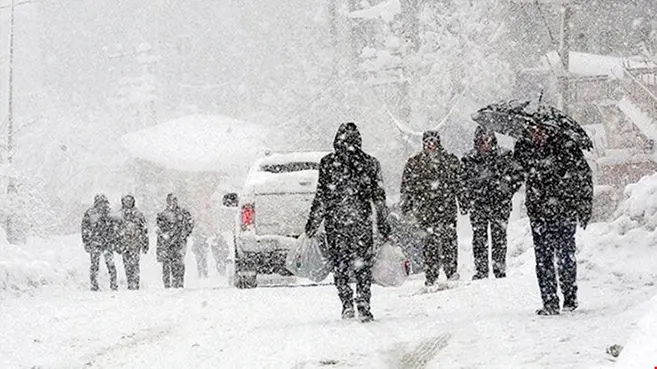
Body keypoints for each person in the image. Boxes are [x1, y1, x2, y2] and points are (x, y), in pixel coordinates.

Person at [305, 122, 391, 322]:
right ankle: (363, 303)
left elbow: (322, 196)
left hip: (336, 223)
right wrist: (384, 225)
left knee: (340, 265)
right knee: (363, 266)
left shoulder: (328, 163)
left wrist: (313, 223)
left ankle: (346, 303)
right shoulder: (370, 163)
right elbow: (378, 198)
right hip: (361, 223)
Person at [514, 125, 593, 315]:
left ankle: (569, 297)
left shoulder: (566, 147)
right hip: (539, 213)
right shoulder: (526, 149)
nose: (536, 134)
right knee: (543, 259)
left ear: (549, 130)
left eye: (539, 130)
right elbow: (515, 175)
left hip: (563, 211)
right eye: (532, 130)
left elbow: (583, 177)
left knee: (565, 255)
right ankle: (549, 301)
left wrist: (584, 206)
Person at [400, 131, 466, 286]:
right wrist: (406, 204)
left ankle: (451, 271)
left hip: (446, 208)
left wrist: (463, 202)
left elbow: (459, 183)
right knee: (429, 243)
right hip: (426, 210)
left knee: (449, 240)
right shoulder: (415, 163)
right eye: (427, 141)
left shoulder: (449, 161)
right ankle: (431, 275)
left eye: (433, 141)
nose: (430, 145)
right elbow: (407, 186)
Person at [461, 126, 522, 280]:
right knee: (479, 237)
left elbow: (518, 176)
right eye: (481, 141)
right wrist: (468, 197)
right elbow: (462, 182)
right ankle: (481, 270)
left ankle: (499, 269)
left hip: (499, 204)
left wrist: (507, 191)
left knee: (499, 237)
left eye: (487, 140)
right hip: (478, 204)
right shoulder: (469, 159)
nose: (484, 144)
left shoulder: (505, 156)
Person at [156, 194, 194, 288]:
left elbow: (190, 223)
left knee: (179, 263)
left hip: (179, 242)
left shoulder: (183, 213)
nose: (173, 203)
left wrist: (185, 233)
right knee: (166, 264)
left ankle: (179, 283)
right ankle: (167, 284)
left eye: (174, 200)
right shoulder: (162, 215)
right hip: (167, 243)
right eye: (170, 200)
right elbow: (159, 229)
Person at [81, 194, 118, 291]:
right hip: (96, 242)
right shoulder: (90, 213)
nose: (101, 204)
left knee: (110, 264)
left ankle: (113, 284)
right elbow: (85, 228)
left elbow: (115, 228)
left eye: (103, 202)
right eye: (100, 202)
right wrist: (86, 242)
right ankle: (94, 285)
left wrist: (114, 240)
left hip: (107, 242)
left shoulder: (110, 213)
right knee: (95, 265)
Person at [116, 195, 148, 290]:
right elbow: (115, 231)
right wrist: (117, 244)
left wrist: (145, 244)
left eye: (130, 201)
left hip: (135, 243)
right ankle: (130, 282)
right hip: (124, 244)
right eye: (126, 201)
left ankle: (136, 282)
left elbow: (144, 230)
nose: (128, 203)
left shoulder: (138, 214)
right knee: (126, 264)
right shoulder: (119, 215)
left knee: (135, 263)